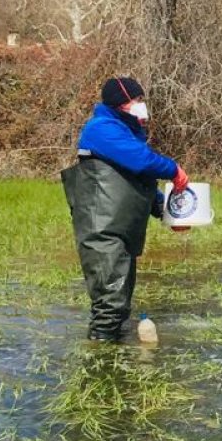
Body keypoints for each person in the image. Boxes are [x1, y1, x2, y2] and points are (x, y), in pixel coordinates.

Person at [61, 77, 188, 342]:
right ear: (121, 102)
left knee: (120, 302)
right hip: (102, 229)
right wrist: (173, 169)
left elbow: (140, 182)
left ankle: (116, 355)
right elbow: (142, 162)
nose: (142, 105)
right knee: (110, 304)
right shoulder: (101, 129)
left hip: (121, 229)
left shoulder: (127, 134)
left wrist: (169, 213)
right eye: (137, 100)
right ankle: (99, 358)